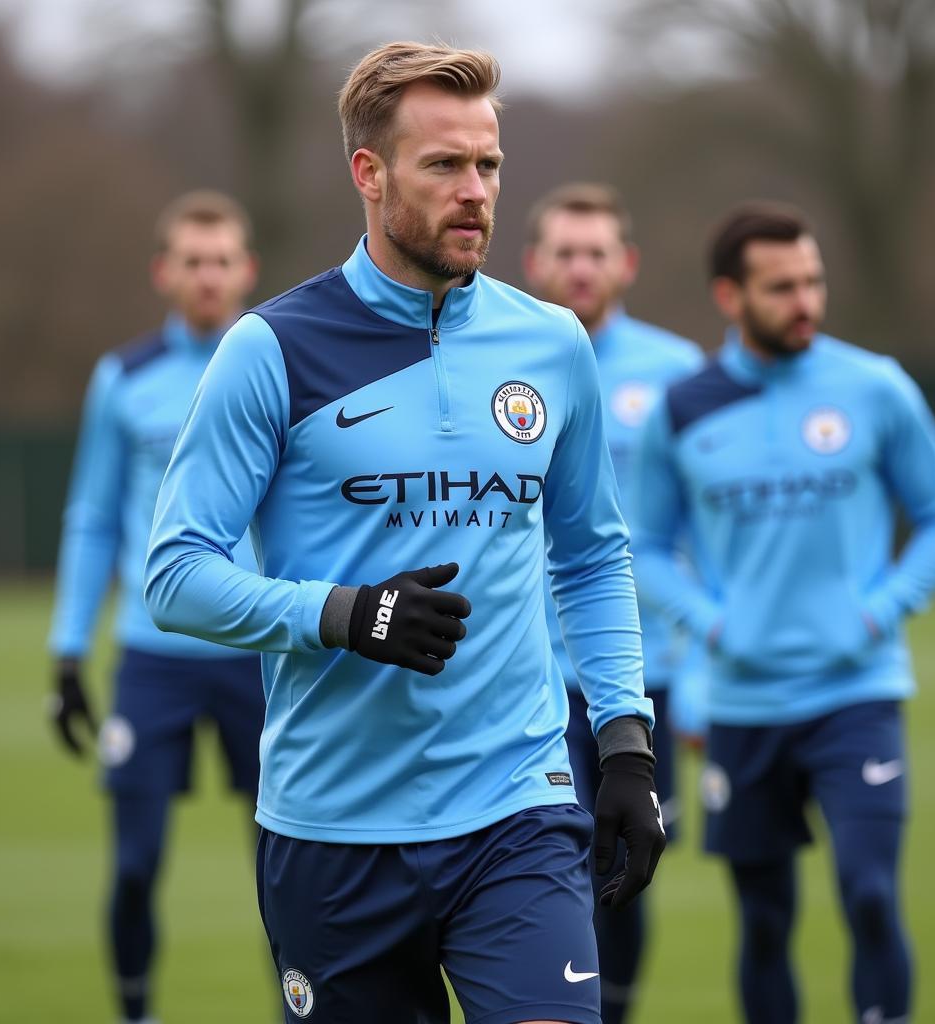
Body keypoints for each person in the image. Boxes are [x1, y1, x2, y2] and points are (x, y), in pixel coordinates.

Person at [144, 42, 666, 1024]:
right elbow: (175, 575)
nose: (476, 191)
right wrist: (345, 614)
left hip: (516, 805)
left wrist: (626, 742)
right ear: (369, 174)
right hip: (331, 829)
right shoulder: (272, 350)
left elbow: (593, 553)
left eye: (489, 165)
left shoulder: (551, 345)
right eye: (444, 166)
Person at [632, 201, 935, 1024]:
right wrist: (712, 624)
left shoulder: (874, 386)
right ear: (729, 295)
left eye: (814, 281)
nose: (806, 302)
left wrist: (881, 610)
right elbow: (642, 544)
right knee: (763, 922)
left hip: (856, 694)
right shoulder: (684, 408)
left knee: (868, 893)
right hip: (745, 706)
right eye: (782, 287)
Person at [47, 191, 263, 1024]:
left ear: (245, 270)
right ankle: (136, 1013)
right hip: (153, 653)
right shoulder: (124, 377)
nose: (207, 277)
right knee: (135, 865)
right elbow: (93, 516)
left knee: (290, 868)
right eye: (192, 262)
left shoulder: (278, 363)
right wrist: (69, 651)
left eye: (222, 262)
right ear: (164, 272)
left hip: (259, 649)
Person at [523, 182, 703, 1023]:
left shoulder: (677, 377)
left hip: (644, 676)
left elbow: (707, 538)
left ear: (626, 263)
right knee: (546, 870)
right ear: (534, 262)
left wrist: (700, 677)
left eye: (597, 252)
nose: (581, 267)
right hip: (528, 679)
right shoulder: (504, 358)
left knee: (631, 862)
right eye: (564, 251)